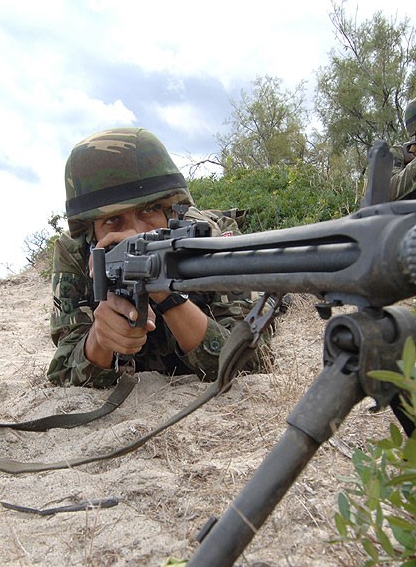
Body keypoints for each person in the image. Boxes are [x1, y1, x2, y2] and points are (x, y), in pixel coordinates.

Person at [48, 127, 270, 388]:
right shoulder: (75, 253)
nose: (135, 232)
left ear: (172, 212)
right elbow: (63, 369)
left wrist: (167, 295)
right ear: (90, 231)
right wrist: (100, 340)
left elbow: (253, 360)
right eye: (112, 220)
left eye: (150, 210)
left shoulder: (206, 239)